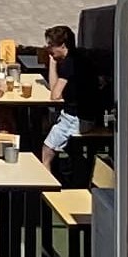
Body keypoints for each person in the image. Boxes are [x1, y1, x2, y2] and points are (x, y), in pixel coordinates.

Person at [40, 25, 89, 159]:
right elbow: (54, 88)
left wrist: (53, 63)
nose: (48, 49)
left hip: (75, 118)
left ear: (62, 45)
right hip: (87, 116)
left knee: (46, 151)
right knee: (50, 123)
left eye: (51, 45)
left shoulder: (69, 64)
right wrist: (53, 61)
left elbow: (55, 95)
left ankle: (46, 178)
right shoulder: (78, 58)